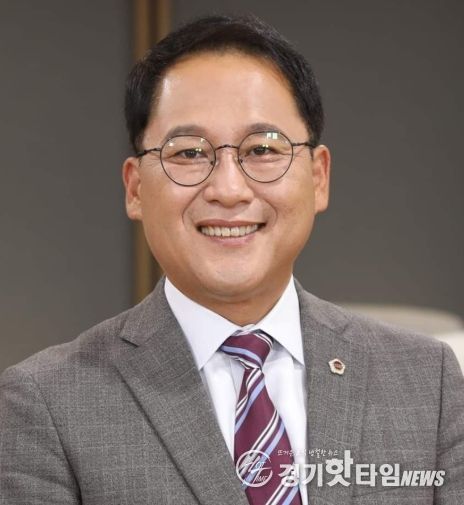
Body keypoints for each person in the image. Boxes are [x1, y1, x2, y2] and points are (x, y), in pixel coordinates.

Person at [1, 14, 463, 505]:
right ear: (135, 189)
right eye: (188, 153)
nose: (228, 189)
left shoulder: (425, 380)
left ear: (318, 177)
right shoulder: (45, 404)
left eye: (262, 149)